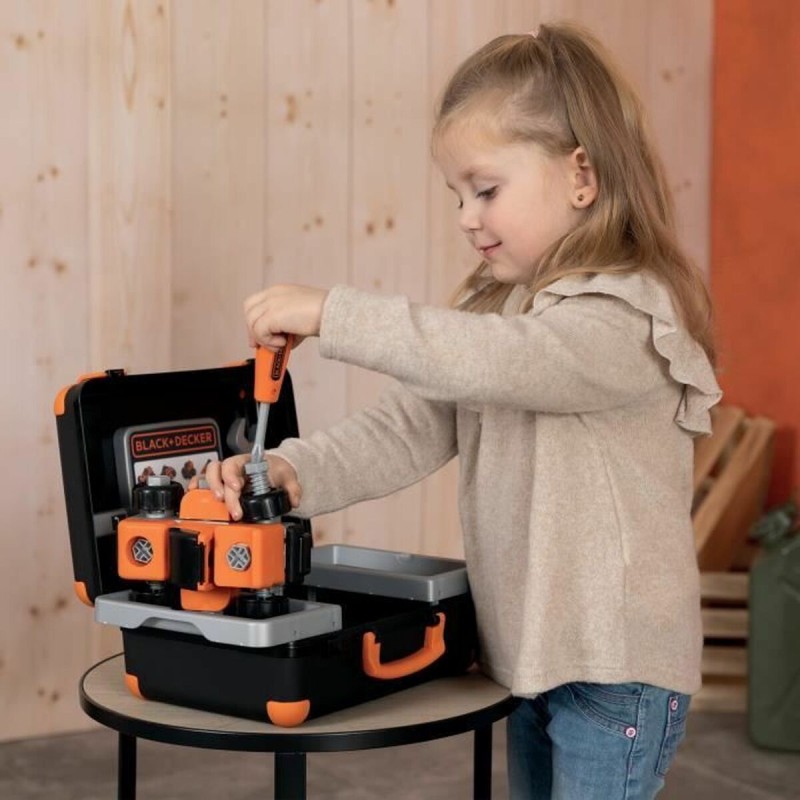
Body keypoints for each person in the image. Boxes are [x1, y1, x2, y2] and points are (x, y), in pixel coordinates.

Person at [205, 22, 721, 799]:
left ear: (581, 176)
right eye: (457, 196)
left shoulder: (624, 320)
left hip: (616, 671)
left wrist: (335, 314)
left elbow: (500, 361)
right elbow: (408, 427)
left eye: (487, 190)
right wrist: (290, 470)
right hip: (533, 659)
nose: (467, 217)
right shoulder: (507, 312)